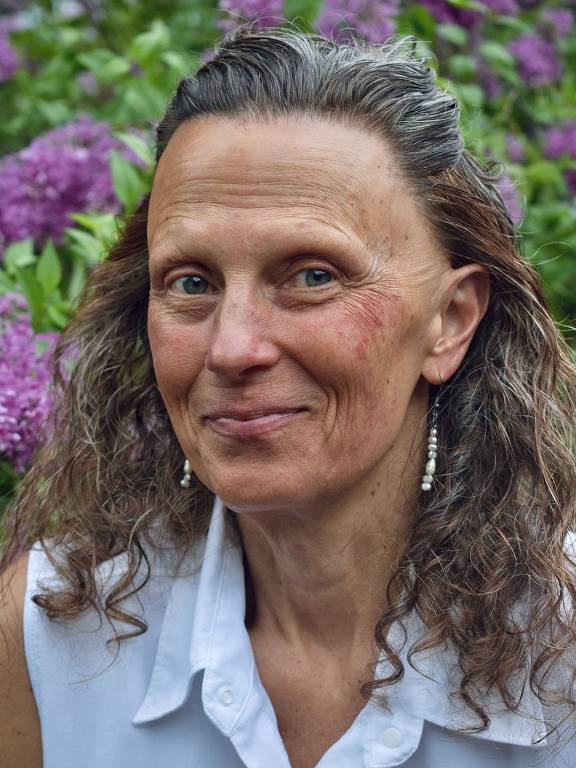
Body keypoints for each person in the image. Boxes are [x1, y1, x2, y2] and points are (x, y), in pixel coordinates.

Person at [1, 23, 576, 768]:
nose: (233, 347)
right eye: (192, 282)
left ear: (449, 321)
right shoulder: (50, 636)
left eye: (313, 276)